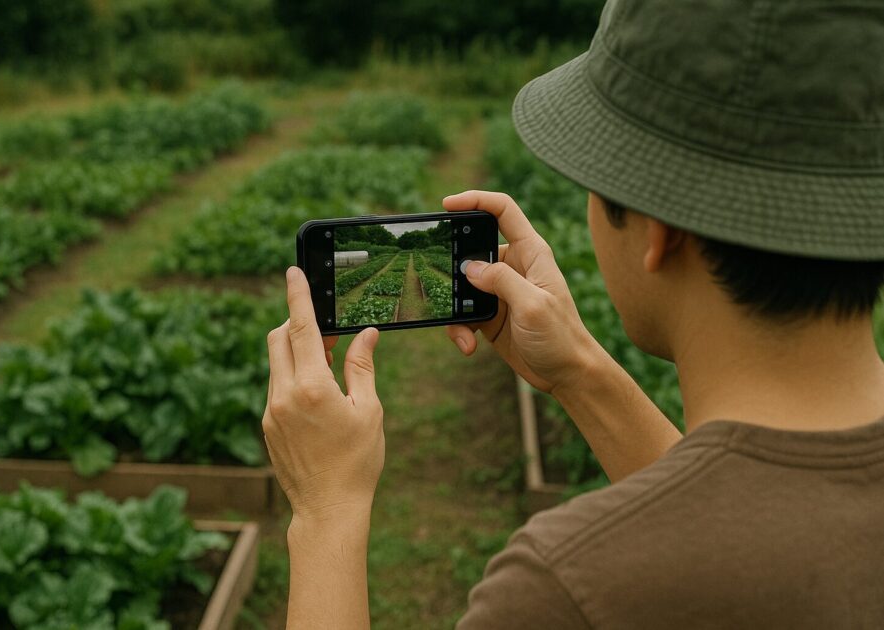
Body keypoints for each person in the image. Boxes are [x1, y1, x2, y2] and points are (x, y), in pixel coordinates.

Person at [262, 0, 884, 627]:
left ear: (656, 231)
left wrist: (326, 511)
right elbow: (749, 519)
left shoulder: (571, 589)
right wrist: (579, 373)